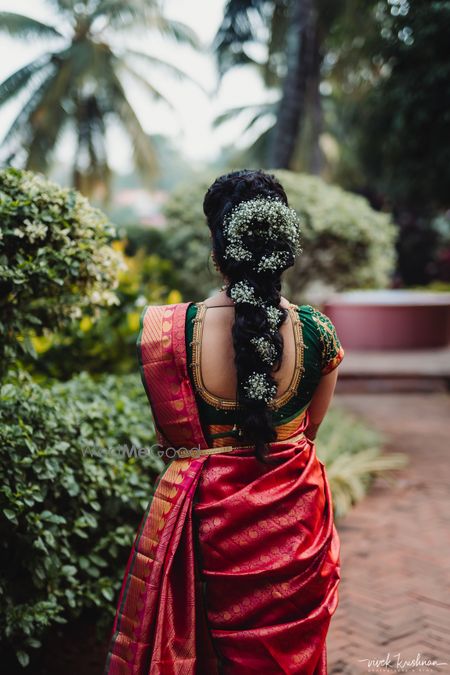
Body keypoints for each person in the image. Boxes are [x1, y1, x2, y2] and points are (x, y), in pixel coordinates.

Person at [104, 169, 345, 675]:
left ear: (218, 249)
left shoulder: (166, 332)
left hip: (205, 528)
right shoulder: (318, 333)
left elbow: (171, 444)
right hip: (294, 528)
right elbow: (308, 434)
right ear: (283, 243)